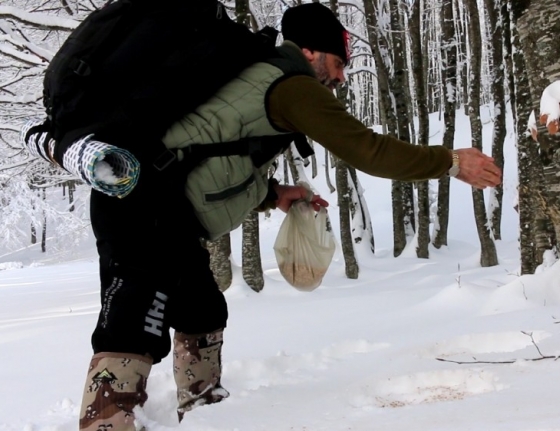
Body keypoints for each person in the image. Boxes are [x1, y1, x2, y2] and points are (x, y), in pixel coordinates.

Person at [75, 3, 502, 430]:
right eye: (337, 64)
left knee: (203, 312)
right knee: (135, 324)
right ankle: (105, 422)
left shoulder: (265, 79)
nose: (339, 78)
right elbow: (368, 151)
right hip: (139, 204)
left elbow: (213, 155)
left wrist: (275, 194)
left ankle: (206, 414)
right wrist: (449, 162)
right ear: (311, 52)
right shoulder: (290, 85)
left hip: (168, 213)